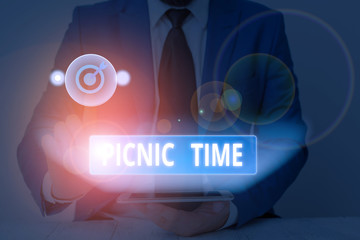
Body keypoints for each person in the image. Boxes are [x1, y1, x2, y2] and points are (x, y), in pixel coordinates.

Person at [17, 0, 308, 236]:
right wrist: (58, 186)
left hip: (227, 222)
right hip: (113, 220)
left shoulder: (262, 24)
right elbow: (45, 126)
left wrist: (227, 213)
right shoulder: (90, 23)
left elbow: (287, 139)